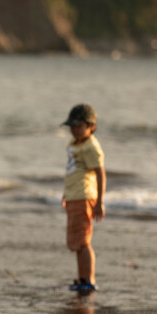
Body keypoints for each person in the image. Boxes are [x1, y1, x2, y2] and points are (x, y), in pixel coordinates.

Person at [62, 103, 106, 294]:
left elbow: (100, 173)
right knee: (77, 241)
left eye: (78, 126)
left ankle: (89, 279)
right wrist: (67, 194)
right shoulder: (75, 145)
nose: (74, 130)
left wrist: (99, 202)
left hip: (84, 196)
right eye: (72, 126)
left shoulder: (91, 147)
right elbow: (73, 173)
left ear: (91, 126)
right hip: (74, 196)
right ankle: (82, 278)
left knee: (84, 240)